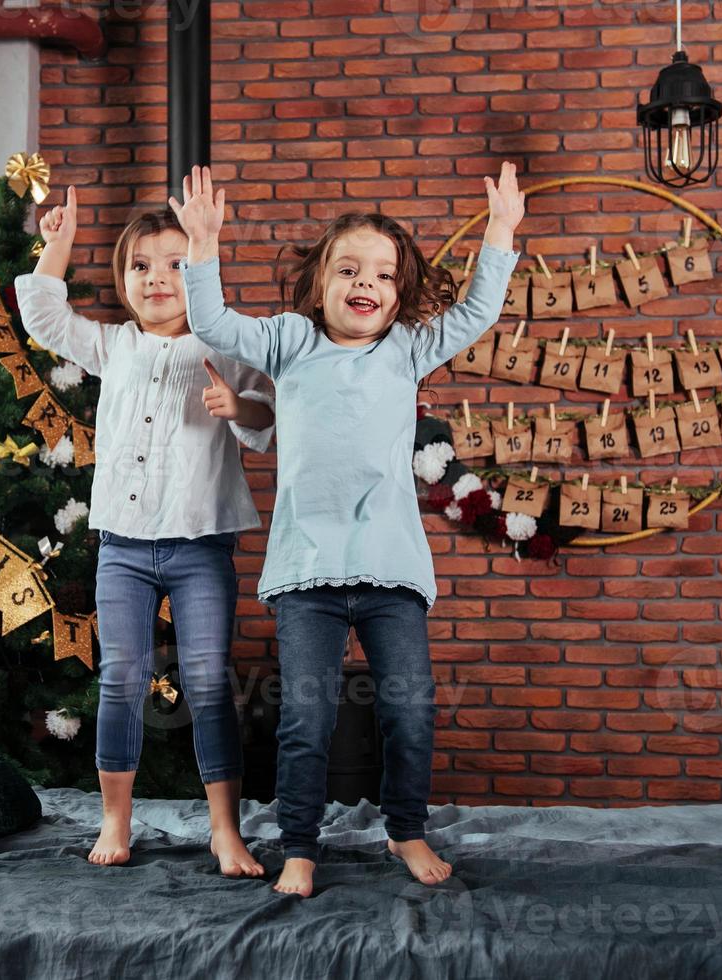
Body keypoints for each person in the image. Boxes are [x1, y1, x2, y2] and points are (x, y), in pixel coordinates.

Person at [171, 163, 524, 896]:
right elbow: (212, 324)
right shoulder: (290, 342)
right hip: (307, 572)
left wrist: (499, 234)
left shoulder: (405, 349)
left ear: (397, 295)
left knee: (409, 709)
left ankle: (405, 830)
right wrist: (202, 247)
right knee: (307, 719)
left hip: (392, 570)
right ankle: (299, 844)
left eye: (384, 275)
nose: (366, 283)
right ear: (320, 282)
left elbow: (474, 315)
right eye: (349, 269)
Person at [14, 189, 276, 877]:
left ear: (198, 274)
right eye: (139, 266)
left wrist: (235, 403)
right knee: (121, 677)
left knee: (206, 681)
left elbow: (268, 421)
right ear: (124, 279)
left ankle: (225, 829)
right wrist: (60, 243)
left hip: (200, 543)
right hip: (123, 547)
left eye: (173, 264)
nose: (156, 278)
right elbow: (42, 313)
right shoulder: (114, 344)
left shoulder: (226, 346)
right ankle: (115, 818)